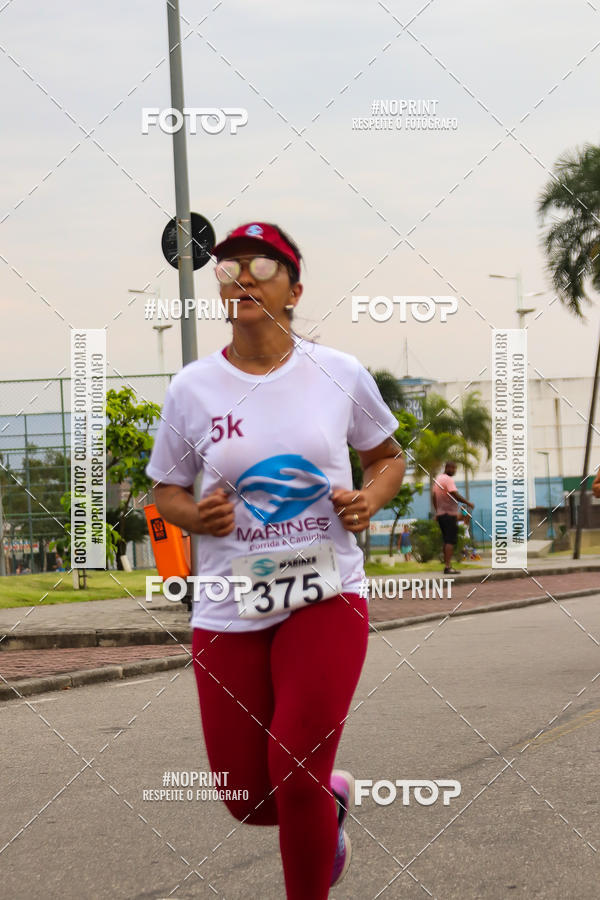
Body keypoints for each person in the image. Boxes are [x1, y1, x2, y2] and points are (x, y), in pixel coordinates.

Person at [146, 222, 406, 899]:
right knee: (248, 799)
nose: (242, 279)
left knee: (294, 776)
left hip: (327, 593)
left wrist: (369, 500)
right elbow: (166, 489)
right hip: (231, 604)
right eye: (228, 270)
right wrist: (193, 515)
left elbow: (387, 457)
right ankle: (333, 800)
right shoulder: (193, 389)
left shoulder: (337, 373)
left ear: (294, 287)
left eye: (260, 265)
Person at [432, 461, 474, 575]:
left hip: (441, 515)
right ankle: (448, 567)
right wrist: (468, 502)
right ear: (448, 468)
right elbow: (454, 493)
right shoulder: (448, 479)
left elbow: (434, 496)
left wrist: (437, 512)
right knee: (450, 540)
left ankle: (447, 566)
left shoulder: (438, 479)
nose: (454, 471)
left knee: (446, 540)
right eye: (454, 468)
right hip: (449, 515)